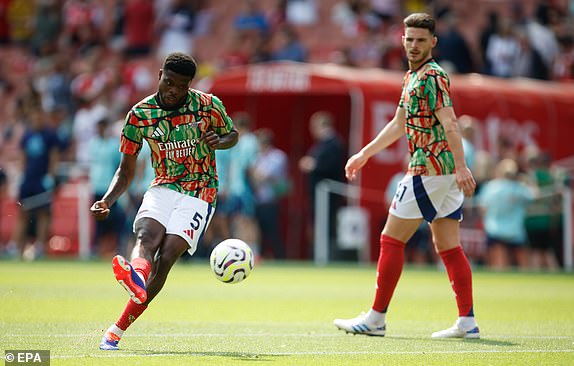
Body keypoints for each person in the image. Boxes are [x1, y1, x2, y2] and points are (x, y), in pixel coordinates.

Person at [333, 13, 479, 339]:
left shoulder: (432, 77)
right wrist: (364, 154)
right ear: (402, 39)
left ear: (433, 43)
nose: (414, 45)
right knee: (448, 245)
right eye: (410, 39)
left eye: (421, 40)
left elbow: (451, 122)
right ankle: (467, 321)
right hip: (440, 173)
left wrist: (461, 166)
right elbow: (398, 125)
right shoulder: (411, 77)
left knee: (390, 239)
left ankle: (375, 318)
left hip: (428, 168)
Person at [92, 52, 238, 351]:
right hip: (162, 186)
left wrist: (219, 142)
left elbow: (232, 135)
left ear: (190, 85)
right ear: (159, 74)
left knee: (168, 254)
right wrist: (107, 200)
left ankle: (118, 328)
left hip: (200, 190)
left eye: (182, 86)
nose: (174, 90)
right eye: (169, 82)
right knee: (147, 236)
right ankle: (136, 278)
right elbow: (126, 168)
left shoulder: (208, 105)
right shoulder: (139, 115)